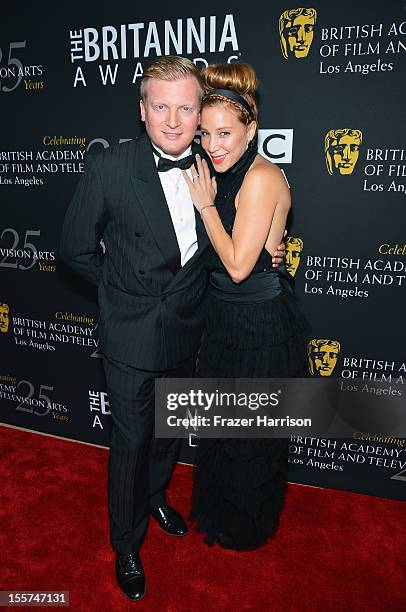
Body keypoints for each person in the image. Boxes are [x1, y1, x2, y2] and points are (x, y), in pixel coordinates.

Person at [59, 56, 285, 601]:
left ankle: (157, 496)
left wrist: (274, 250)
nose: (174, 120)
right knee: (133, 441)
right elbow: (73, 250)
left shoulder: (218, 168)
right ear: (142, 111)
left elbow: (244, 240)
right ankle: (126, 542)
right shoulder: (110, 168)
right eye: (160, 106)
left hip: (190, 329)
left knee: (165, 434)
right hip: (132, 337)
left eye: (187, 107)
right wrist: (120, 291)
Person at [182, 62, 309, 551]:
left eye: (225, 134)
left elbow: (237, 265)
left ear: (252, 128)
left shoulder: (257, 177)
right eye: (205, 133)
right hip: (224, 318)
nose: (213, 145)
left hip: (258, 324)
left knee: (251, 433)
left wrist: (207, 208)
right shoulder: (223, 172)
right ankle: (222, 510)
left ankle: (247, 525)